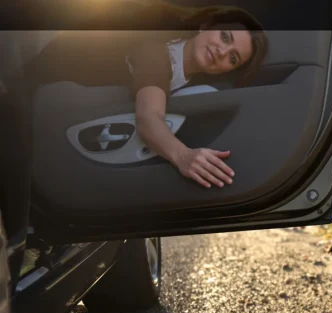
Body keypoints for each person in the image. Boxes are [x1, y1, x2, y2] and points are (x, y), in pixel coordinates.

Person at [3, 0, 269, 189]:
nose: (222, 52)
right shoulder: (158, 53)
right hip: (31, 97)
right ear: (206, 26)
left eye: (233, 58)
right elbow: (148, 117)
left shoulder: (194, 83)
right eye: (224, 37)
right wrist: (183, 155)